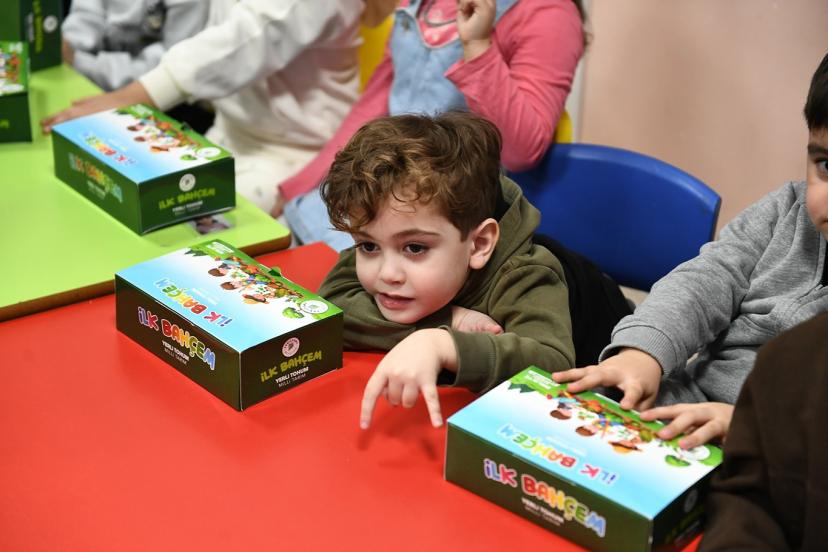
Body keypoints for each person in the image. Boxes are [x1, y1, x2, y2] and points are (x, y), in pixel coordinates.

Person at [553, 51, 828, 451]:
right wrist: (641, 353)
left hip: (778, 454)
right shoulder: (786, 208)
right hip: (685, 405)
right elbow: (706, 280)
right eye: (826, 166)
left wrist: (752, 426)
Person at [317, 111, 578, 429]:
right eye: (368, 246)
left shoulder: (527, 274)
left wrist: (445, 346)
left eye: (415, 248)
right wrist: (449, 321)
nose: (387, 273)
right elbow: (330, 309)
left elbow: (553, 367)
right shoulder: (391, 232)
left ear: (479, 244)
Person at [274, 0, 586, 251]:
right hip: (383, 189)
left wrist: (478, 47)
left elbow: (522, 151)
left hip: (448, 215)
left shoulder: (550, 14)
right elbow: (371, 111)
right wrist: (299, 187)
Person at [43, 0, 388, 213]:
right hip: (228, 134)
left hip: (295, 156)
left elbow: (241, 41)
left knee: (186, 226)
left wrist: (129, 96)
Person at [696, 312, 828, 551]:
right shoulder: (799, 350)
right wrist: (642, 351)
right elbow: (755, 505)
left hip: (727, 436)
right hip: (696, 409)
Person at [61, 0, 208, 92]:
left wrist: (81, 62)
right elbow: (85, 18)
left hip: (149, 93)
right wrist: (66, 47)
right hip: (85, 74)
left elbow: (167, 69)